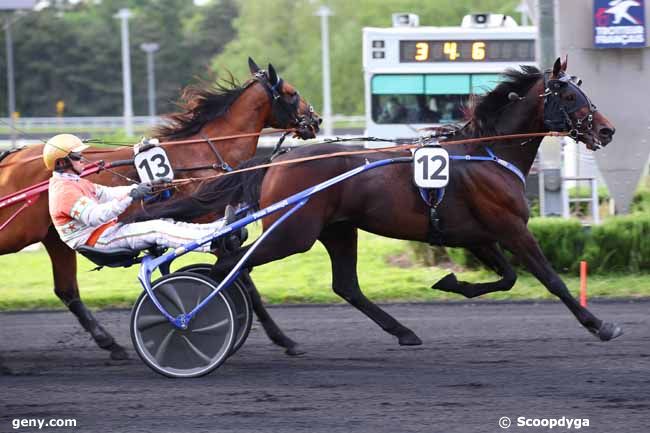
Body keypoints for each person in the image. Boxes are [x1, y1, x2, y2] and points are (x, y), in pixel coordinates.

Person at [43, 133, 234, 254]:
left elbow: (108, 193)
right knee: (156, 230)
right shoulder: (64, 192)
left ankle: (217, 230)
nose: (83, 159)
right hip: (97, 240)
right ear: (61, 163)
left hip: (105, 232)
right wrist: (132, 196)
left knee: (164, 223)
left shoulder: (75, 182)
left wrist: (145, 187)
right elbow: (97, 216)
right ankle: (212, 243)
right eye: (77, 156)